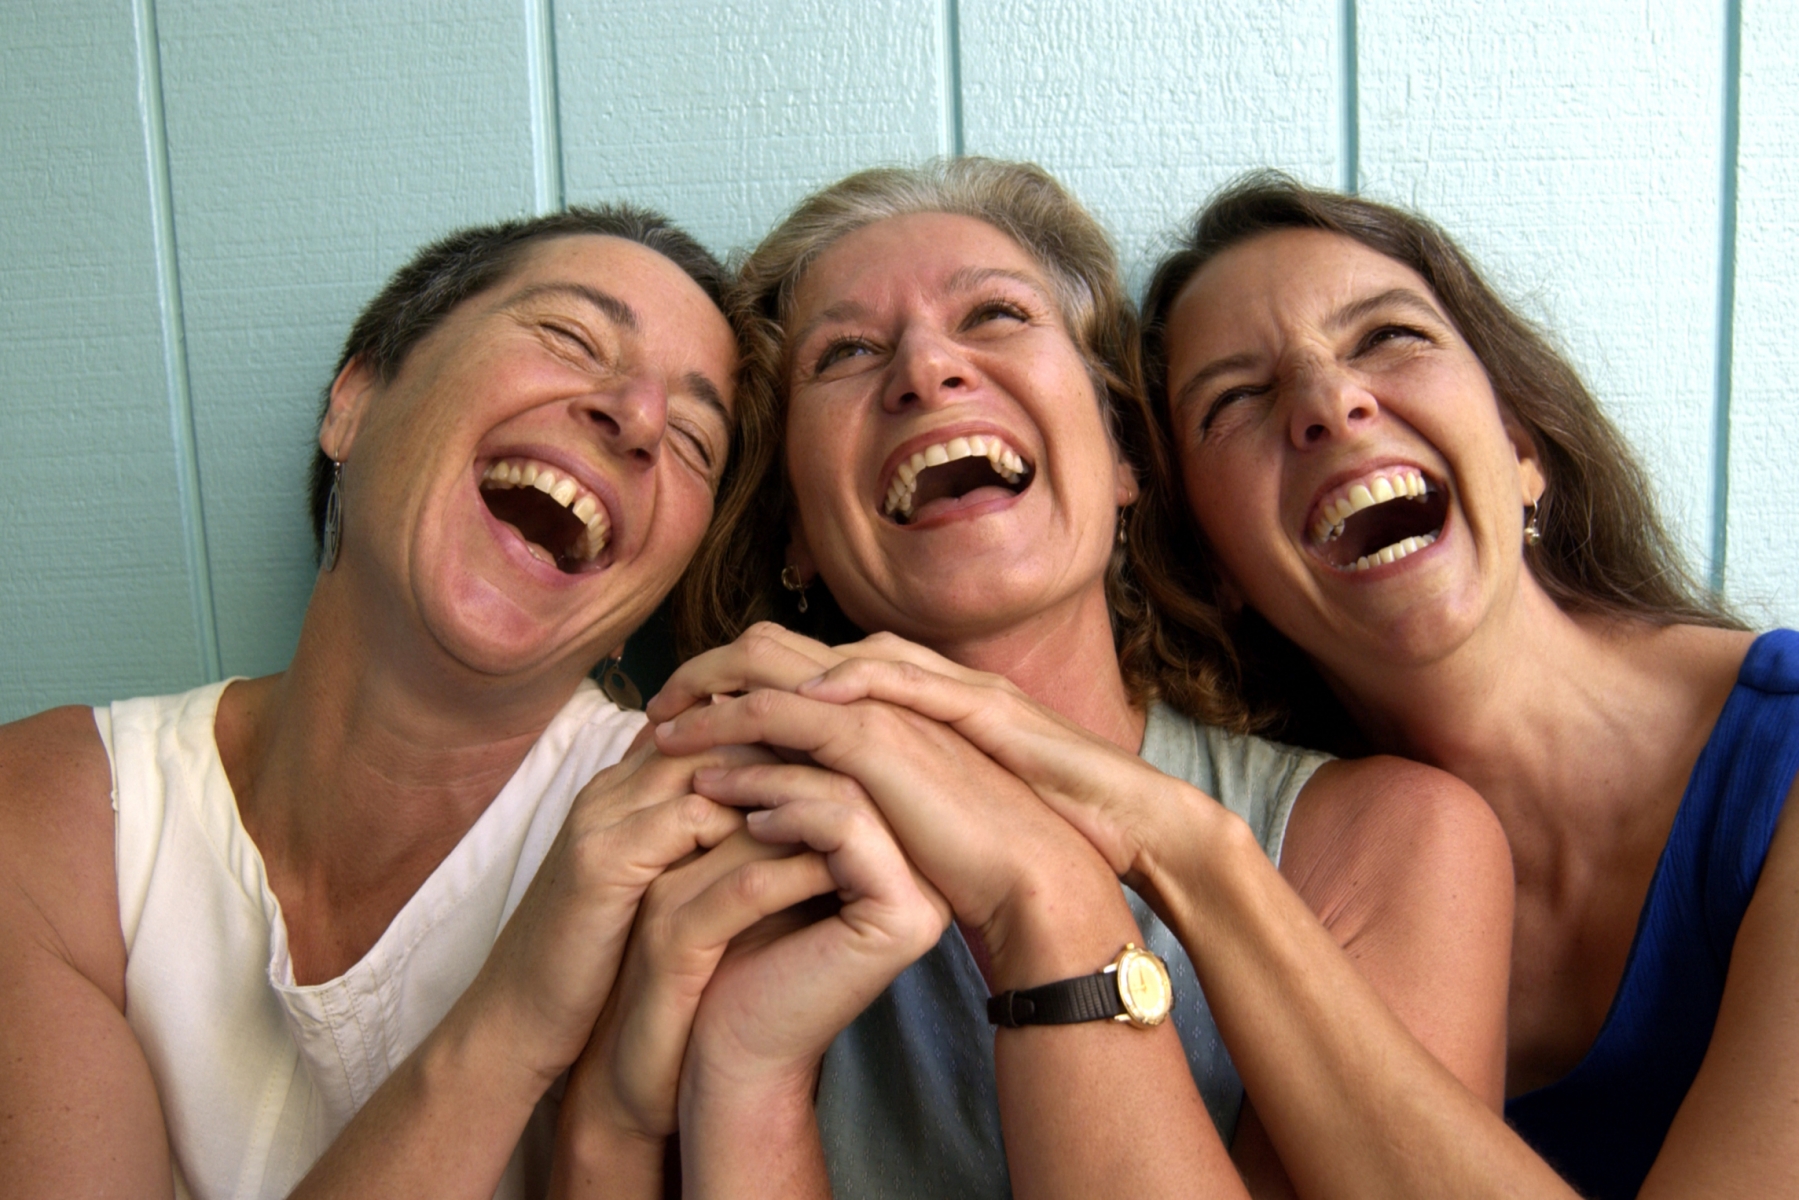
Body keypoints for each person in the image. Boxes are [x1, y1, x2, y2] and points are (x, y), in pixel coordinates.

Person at [635, 158, 1516, 1199]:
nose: (925, 371)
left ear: (1122, 460)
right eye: (847, 352)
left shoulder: (1381, 841)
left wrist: (1037, 891)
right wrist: (749, 1073)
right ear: (796, 538)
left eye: (996, 315)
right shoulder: (723, 865)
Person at [0, 204, 807, 1200]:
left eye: (692, 439)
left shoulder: (706, 850)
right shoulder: (51, 817)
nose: (637, 421)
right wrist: (508, 1023)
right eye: (568, 336)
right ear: (354, 398)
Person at [1142, 172, 1799, 1198]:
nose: (1327, 402)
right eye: (1232, 399)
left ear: (1521, 446)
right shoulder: (1307, 850)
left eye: (1386, 337)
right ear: (1211, 567)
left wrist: (1203, 873)